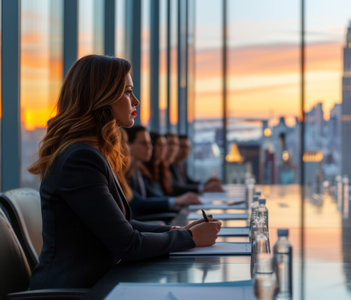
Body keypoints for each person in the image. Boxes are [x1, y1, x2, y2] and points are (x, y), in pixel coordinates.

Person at [27, 55, 220, 289]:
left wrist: (176, 230)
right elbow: (126, 243)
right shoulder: (80, 159)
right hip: (73, 291)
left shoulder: (90, 152)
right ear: (102, 98)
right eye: (128, 92)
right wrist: (189, 239)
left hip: (97, 283)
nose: (136, 101)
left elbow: (123, 224)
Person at [124, 126, 200, 217]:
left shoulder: (137, 170)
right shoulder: (126, 172)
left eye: (150, 143)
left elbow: (152, 195)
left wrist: (177, 201)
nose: (149, 147)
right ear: (129, 145)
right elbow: (139, 203)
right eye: (144, 143)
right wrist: (177, 200)